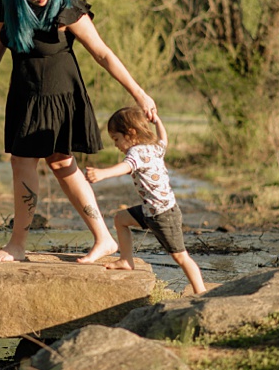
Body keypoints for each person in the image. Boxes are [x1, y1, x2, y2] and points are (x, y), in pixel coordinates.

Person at [0, 0, 157, 263]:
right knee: (44, 163)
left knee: (45, 162)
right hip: (24, 93)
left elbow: (103, 54)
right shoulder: (8, 4)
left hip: (60, 95)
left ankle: (21, 245)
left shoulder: (66, 6)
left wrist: (140, 94)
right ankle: (102, 239)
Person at [84, 107, 207, 294]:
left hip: (163, 215)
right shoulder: (155, 147)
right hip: (150, 210)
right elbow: (164, 139)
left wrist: (102, 173)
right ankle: (126, 260)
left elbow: (126, 167)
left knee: (181, 257)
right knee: (121, 219)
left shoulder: (137, 152)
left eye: (116, 139)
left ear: (131, 133)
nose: (116, 145)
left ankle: (200, 292)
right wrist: (157, 121)